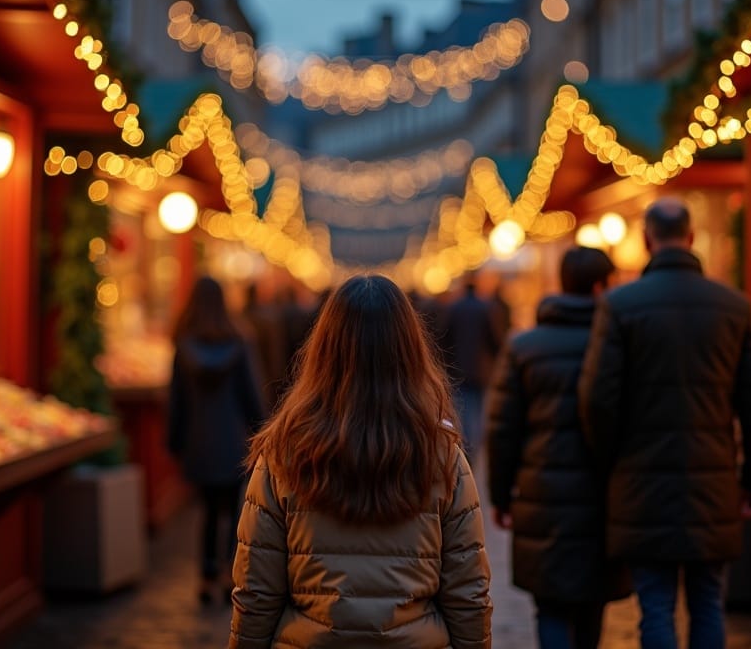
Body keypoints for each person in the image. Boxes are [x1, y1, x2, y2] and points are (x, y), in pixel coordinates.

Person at [229, 274, 493, 648]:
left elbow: (256, 590)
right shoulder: (442, 455)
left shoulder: (284, 451)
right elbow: (468, 593)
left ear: (324, 349)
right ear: (409, 350)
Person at [577, 197, 751, 649]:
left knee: (656, 605)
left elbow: (597, 399)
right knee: (708, 602)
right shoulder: (734, 306)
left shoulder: (620, 305)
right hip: (714, 480)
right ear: (690, 238)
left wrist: (612, 462)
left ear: (647, 240)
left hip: (641, 483)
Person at [487, 246, 630, 649]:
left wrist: (501, 495)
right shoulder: (620, 344)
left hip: (542, 491)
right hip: (603, 493)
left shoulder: (525, 346)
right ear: (603, 286)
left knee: (549, 606)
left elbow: (502, 429)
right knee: (592, 603)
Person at [166, 276, 266, 606]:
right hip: (233, 440)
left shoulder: (183, 345)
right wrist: (261, 431)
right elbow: (251, 395)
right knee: (234, 510)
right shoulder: (239, 341)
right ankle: (228, 570)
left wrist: (176, 441)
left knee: (207, 511)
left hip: (199, 441)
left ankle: (206, 575)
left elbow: (177, 400)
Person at [440, 277, 503, 467]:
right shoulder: (485, 308)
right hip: (480, 370)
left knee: (463, 412)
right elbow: (493, 340)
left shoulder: (454, 308)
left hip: (458, 369)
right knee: (477, 411)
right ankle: (473, 449)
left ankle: (467, 449)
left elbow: (444, 339)